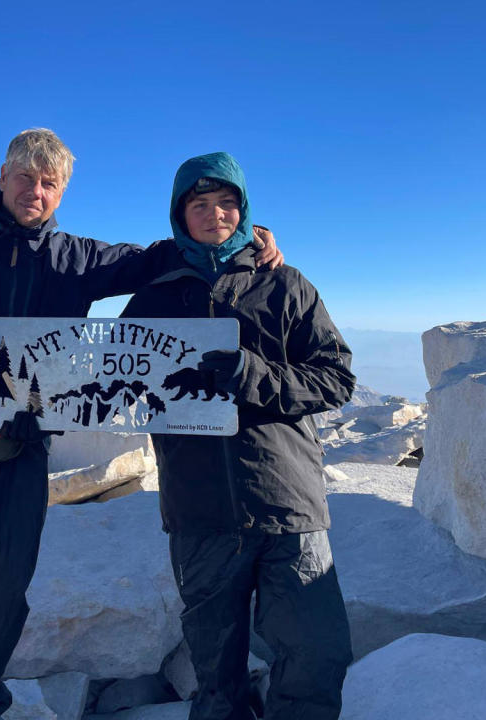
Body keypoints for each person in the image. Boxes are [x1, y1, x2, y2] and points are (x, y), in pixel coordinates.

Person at [0, 129, 283, 720]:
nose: (35, 190)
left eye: (49, 183)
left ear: (62, 193)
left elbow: (157, 255)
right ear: (2, 178)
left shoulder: (73, 258)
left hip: (20, 445)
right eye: (25, 178)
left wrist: (240, 236)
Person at [121, 152, 355, 720]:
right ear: (181, 215)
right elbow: (116, 382)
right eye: (199, 205)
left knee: (315, 653)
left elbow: (336, 377)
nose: (215, 214)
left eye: (227, 203)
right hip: (200, 510)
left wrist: (250, 373)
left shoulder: (286, 284)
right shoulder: (154, 297)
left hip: (286, 501)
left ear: (244, 209)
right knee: (214, 670)